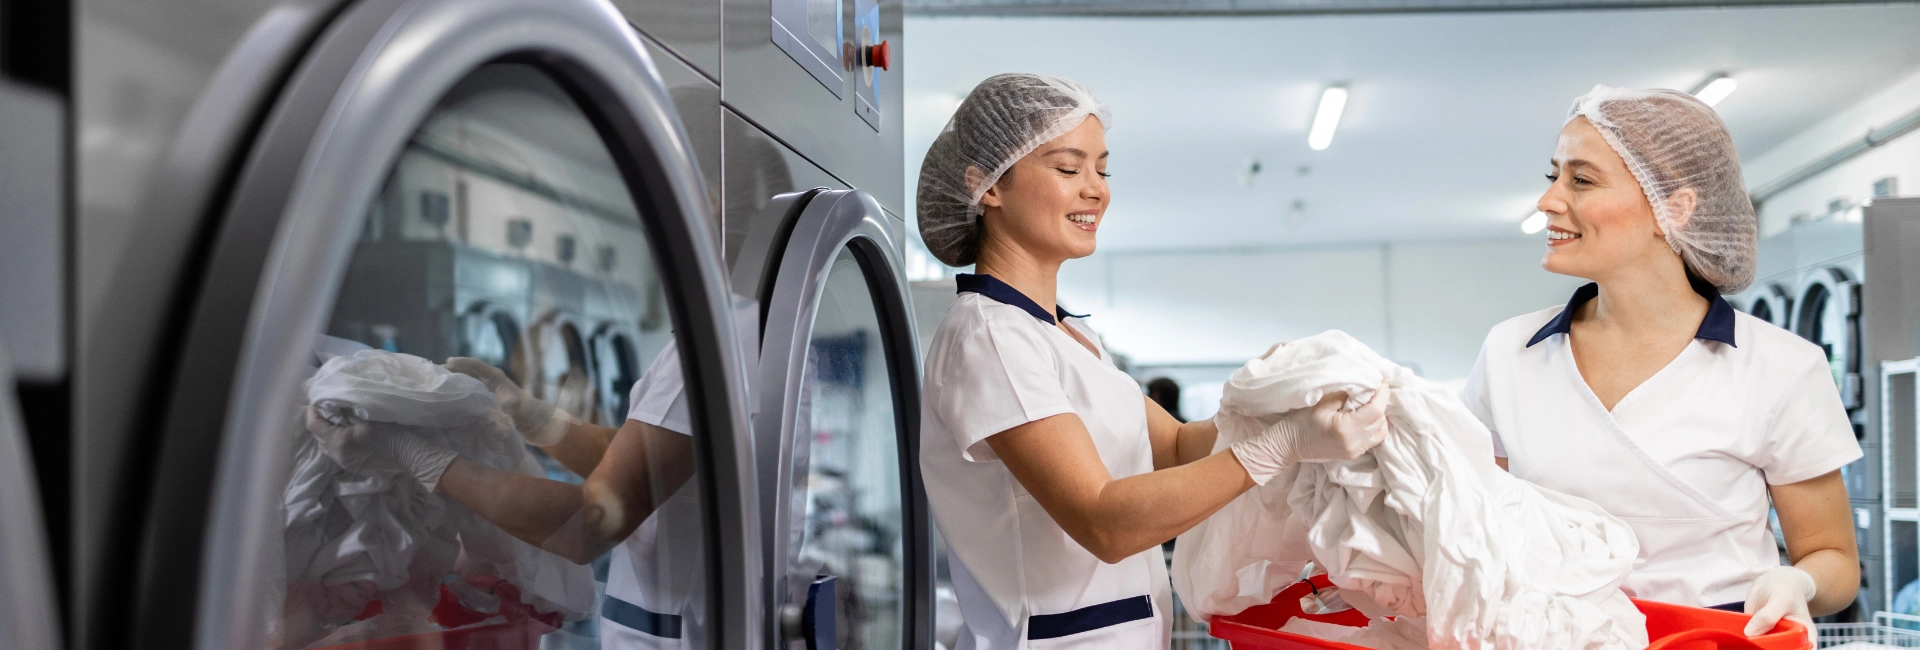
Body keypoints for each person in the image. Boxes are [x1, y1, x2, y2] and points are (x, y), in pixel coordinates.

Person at [915, 73, 1392, 648]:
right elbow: (1104, 521)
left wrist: (1277, 404)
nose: (1095, 190)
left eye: (1102, 168)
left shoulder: (1067, 335)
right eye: (1069, 169)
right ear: (987, 186)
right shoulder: (990, 337)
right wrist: (1278, 443)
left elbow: (1174, 448)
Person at [1464, 86, 1861, 639]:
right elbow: (1472, 528)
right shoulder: (1510, 352)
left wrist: (1799, 583)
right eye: (1552, 176)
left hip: (1713, 637)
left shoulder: (1779, 366)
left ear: (1673, 208)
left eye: (1581, 179)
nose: (1549, 200)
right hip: (1552, 636)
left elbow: (1833, 557)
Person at [306, 342, 704, 647]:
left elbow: (584, 525)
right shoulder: (700, 343)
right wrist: (532, 416)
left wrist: (413, 454)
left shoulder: (705, 352)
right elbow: (643, 464)